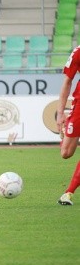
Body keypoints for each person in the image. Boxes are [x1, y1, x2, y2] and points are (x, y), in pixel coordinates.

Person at [55, 44, 80, 206]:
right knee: (66, 153)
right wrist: (60, 112)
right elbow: (67, 81)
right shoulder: (78, 52)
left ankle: (68, 193)